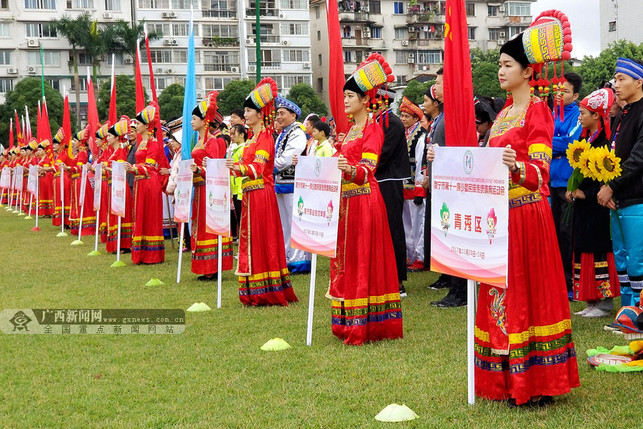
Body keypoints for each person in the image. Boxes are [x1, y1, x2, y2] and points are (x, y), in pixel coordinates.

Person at [464, 12, 579, 405]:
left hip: (527, 215)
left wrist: (519, 167)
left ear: (528, 72)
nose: (500, 71)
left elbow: (541, 172)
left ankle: (536, 380)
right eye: (498, 64)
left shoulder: (538, 112)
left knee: (527, 294)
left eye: (506, 65)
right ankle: (504, 378)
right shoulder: (500, 117)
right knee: (500, 294)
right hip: (499, 216)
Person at [329, 53, 403, 345]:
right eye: (345, 95)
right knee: (346, 260)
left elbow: (368, 169)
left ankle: (366, 323)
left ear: (364, 99)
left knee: (362, 260)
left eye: (350, 96)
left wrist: (349, 169)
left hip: (364, 201)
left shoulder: (373, 128)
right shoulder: (348, 132)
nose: (345, 101)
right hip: (347, 203)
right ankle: (347, 318)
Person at [226, 78, 298, 306]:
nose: (244, 115)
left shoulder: (265, 136)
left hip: (261, 194)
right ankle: (253, 290)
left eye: (248, 110)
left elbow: (258, 169)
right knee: (251, 241)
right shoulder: (251, 139)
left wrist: (236, 167)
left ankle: (265, 290)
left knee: (261, 240)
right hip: (250, 195)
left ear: (259, 113)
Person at [566, 88, 620, 317]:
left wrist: (585, 193)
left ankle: (605, 302)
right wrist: (572, 191)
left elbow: (605, 175)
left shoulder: (605, 141)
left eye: (583, 112)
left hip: (597, 206)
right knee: (582, 248)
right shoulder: (583, 138)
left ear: (597, 115)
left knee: (598, 249)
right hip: (583, 208)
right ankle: (591, 300)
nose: (580, 116)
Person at [597, 57, 643, 308]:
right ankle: (626, 311)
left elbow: (638, 158)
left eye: (621, 79)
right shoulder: (623, 114)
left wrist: (611, 186)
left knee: (638, 260)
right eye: (615, 78)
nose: (616, 84)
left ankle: (639, 313)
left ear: (639, 82)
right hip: (618, 199)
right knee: (622, 259)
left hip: (636, 198)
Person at [427, 68, 468, 308]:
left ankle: (460, 291)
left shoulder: (456, 114)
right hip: (441, 185)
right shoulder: (443, 115)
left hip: (454, 188)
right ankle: (453, 287)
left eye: (438, 82)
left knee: (456, 239)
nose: (435, 87)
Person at [189, 92, 234, 280]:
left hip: (210, 190)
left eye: (194, 118)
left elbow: (217, 169)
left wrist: (200, 170)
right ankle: (204, 265)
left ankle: (212, 267)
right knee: (199, 226)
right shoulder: (199, 141)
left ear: (203, 121)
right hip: (199, 188)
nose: (191, 122)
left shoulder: (213, 142)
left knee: (210, 226)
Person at [374, 89, 411, 297]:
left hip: (389, 181)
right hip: (377, 180)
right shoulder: (377, 121)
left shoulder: (392, 122)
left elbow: (382, 154)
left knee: (392, 229)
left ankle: (397, 280)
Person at [551, 72, 583, 299]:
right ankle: (559, 280)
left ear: (576, 95)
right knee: (553, 232)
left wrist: (547, 141)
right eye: (558, 90)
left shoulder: (578, 115)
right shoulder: (550, 112)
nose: (559, 94)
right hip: (550, 180)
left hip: (567, 182)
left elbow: (572, 143)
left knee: (567, 232)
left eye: (565, 91)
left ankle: (571, 283)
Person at [124, 103, 166, 265]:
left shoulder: (153, 143)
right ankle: (141, 253)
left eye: (139, 124)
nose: (136, 126)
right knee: (140, 215)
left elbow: (150, 166)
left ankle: (152, 255)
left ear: (147, 126)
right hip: (140, 182)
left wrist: (133, 168)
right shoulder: (141, 143)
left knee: (149, 217)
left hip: (150, 183)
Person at [274, 95, 310, 273]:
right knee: (285, 223)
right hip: (282, 183)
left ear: (293, 115)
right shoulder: (284, 133)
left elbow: (287, 158)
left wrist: (269, 166)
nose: (278, 117)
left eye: (282, 113)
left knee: (295, 221)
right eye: (277, 113)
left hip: (294, 183)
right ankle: (288, 256)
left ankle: (299, 260)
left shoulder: (297, 133)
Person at [399, 96, 426, 273]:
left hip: (415, 187)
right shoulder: (404, 134)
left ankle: (420, 257)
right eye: (401, 115)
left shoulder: (420, 136)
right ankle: (409, 255)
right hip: (403, 187)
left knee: (418, 224)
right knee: (406, 225)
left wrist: (419, 189)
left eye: (407, 116)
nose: (403, 119)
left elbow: (419, 163)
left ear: (416, 118)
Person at [422, 85, 444, 283]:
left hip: (442, 183)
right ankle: (444, 274)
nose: (424, 105)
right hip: (433, 180)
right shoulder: (436, 122)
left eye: (426, 101)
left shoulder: (444, 121)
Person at [105, 117, 134, 254]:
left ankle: (123, 244)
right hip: (113, 185)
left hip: (120, 186)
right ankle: (115, 243)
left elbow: (121, 169)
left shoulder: (121, 151)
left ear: (117, 138)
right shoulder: (114, 152)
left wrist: (107, 168)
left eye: (110, 136)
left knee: (121, 213)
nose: (108, 138)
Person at [229, 123, 248, 240]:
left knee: (242, 217)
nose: (231, 136)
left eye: (233, 133)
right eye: (230, 133)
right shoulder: (235, 149)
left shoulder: (244, 149)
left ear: (241, 135)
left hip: (241, 188)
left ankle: (244, 243)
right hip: (235, 188)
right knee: (239, 217)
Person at [35, 140, 54, 216]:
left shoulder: (47, 159)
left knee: (47, 193)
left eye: (40, 150)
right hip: (41, 178)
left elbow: (46, 169)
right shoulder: (40, 159)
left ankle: (49, 212)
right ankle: (45, 212)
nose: (38, 152)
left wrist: (40, 170)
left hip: (46, 178)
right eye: (38, 150)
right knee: (43, 194)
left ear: (44, 150)